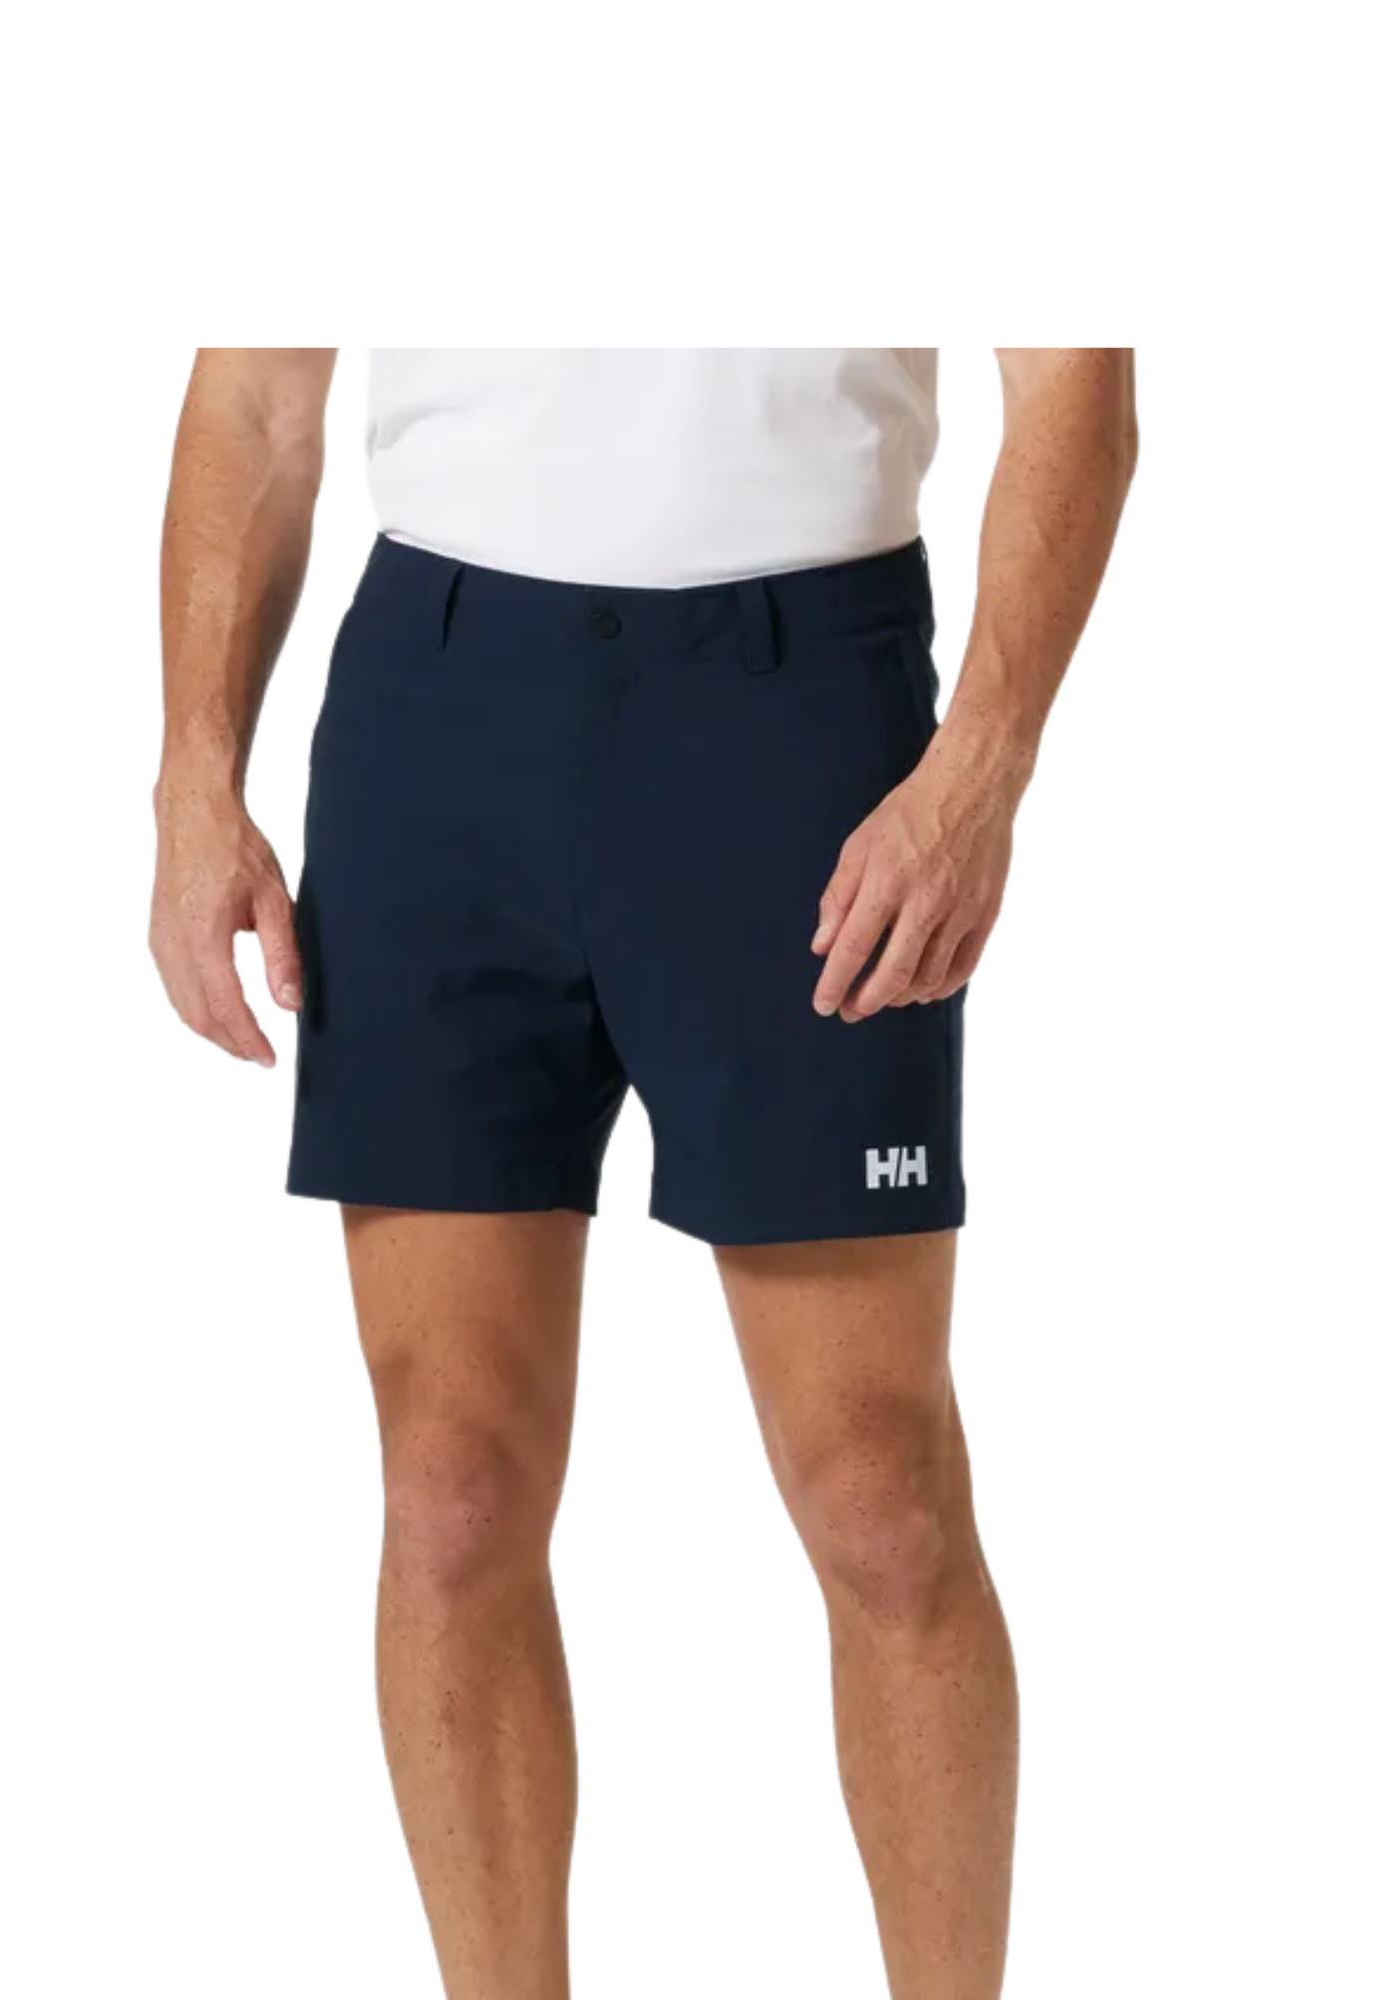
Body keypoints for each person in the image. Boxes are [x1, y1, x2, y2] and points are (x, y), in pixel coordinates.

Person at [150, 347, 1137, 2000]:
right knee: (449, 1490)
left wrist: (984, 767)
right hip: (440, 713)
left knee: (880, 1493)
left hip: (800, 710)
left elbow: (1077, 382)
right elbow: (251, 396)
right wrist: (194, 774)